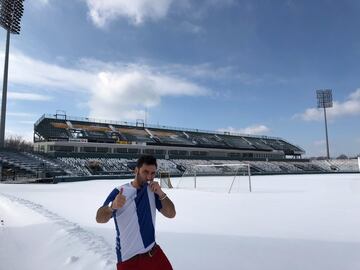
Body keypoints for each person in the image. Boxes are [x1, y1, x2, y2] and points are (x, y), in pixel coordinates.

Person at [96, 155, 176, 270]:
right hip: (130, 260)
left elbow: (171, 214)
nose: (149, 176)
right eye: (145, 172)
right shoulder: (120, 191)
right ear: (136, 170)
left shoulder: (153, 191)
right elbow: (99, 218)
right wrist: (112, 207)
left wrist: (161, 193)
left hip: (153, 253)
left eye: (153, 173)